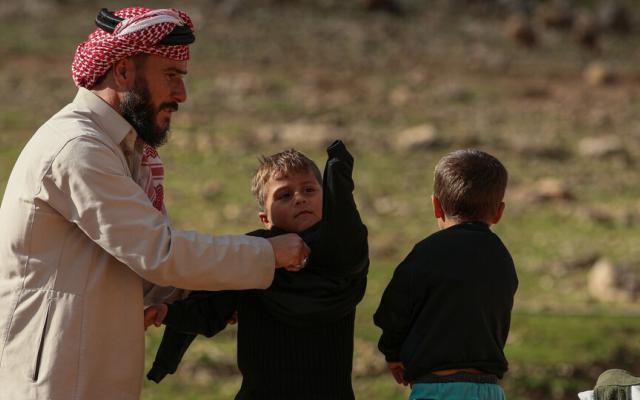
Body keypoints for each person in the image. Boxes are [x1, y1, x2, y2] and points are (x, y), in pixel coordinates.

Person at [0, 7, 308, 400]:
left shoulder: (121, 150)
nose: (181, 95)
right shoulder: (78, 149)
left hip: (91, 371)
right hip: (56, 381)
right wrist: (268, 255)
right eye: (171, 77)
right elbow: (158, 251)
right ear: (125, 71)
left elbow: (140, 265)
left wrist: (195, 300)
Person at [144, 140, 369, 400]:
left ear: (327, 200)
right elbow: (210, 309)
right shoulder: (253, 257)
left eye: (309, 190)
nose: (299, 199)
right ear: (265, 218)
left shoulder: (342, 259)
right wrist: (168, 312)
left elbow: (348, 234)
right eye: (285, 195)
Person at [373, 149, 518, 400]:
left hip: (435, 389)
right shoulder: (501, 257)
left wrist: (393, 354)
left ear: (436, 206)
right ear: (499, 212)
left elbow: (393, 311)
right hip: (489, 390)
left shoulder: (426, 253)